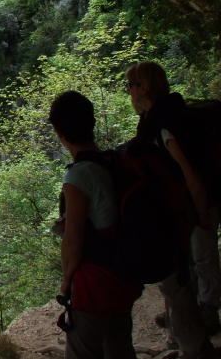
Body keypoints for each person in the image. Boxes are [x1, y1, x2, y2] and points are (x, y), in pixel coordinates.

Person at [126, 61, 219, 356]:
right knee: (186, 262)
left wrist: (203, 212)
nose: (128, 92)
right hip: (184, 202)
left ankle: (207, 313)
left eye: (130, 86)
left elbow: (192, 174)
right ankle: (184, 323)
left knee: (200, 258)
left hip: (196, 200)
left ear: (143, 88)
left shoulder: (165, 123)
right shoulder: (158, 117)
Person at [50, 91, 143, 359]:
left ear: (59, 132)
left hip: (95, 283)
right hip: (124, 273)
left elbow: (73, 241)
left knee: (82, 351)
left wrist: (66, 282)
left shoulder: (78, 176)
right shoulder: (113, 162)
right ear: (92, 123)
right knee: (120, 347)